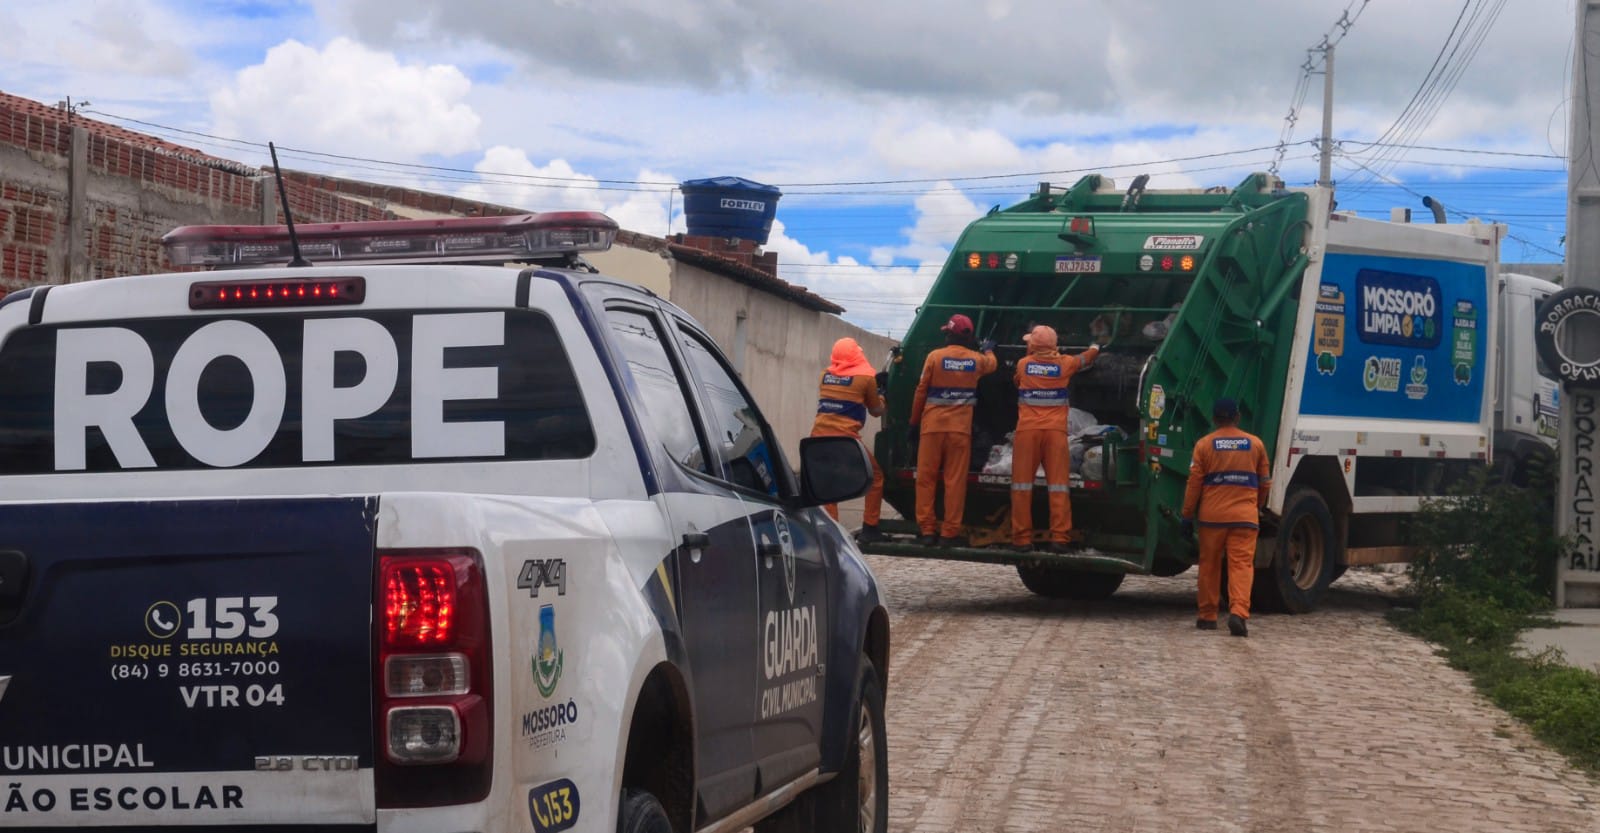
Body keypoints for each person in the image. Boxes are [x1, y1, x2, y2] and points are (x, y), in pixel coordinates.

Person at [1181, 398, 1272, 637]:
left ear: (1214, 419)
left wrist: (1187, 515)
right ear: (1237, 417)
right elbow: (1265, 483)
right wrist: (1257, 506)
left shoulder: (1204, 445)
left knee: (1209, 565)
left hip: (1212, 519)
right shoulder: (1255, 445)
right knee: (1241, 566)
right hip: (1244, 517)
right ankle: (1238, 613)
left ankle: (1207, 616)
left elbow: (1194, 484)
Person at [1010, 325, 1101, 553]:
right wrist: (1095, 346)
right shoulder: (1065, 364)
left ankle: (1021, 539)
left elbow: (1017, 380)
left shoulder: (1023, 364)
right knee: (1058, 486)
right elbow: (1085, 359)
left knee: (1021, 486)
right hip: (1055, 434)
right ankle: (1060, 538)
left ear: (1033, 345)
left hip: (1027, 432)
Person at [910, 314, 997, 547]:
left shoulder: (934, 357)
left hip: (932, 428)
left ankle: (927, 531)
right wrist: (987, 349)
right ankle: (949, 533)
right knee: (954, 482)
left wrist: (913, 423)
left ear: (948, 334)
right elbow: (993, 364)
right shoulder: (976, 360)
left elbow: (920, 392)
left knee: (926, 479)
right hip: (959, 431)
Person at [810, 337, 887, 543]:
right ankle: (870, 527)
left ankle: (832, 531)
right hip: (846, 440)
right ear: (856, 354)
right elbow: (877, 411)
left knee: (829, 484)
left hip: (818, 438)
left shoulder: (824, 375)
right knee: (876, 477)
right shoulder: (865, 379)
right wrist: (882, 394)